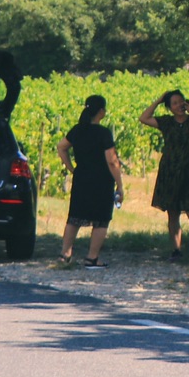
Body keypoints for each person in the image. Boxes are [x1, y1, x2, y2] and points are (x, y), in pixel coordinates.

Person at [139, 89, 189, 262]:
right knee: (173, 213)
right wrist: (158, 100)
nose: (179, 105)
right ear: (169, 108)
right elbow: (144, 118)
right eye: (174, 103)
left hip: (188, 173)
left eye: (181, 101)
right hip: (169, 172)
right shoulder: (166, 122)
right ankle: (176, 249)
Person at [58, 95, 124, 267]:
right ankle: (92, 257)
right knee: (101, 219)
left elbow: (61, 147)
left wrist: (71, 168)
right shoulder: (103, 133)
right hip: (102, 180)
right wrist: (120, 185)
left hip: (81, 178)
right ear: (101, 111)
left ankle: (65, 254)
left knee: (75, 217)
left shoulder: (77, 130)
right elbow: (112, 160)